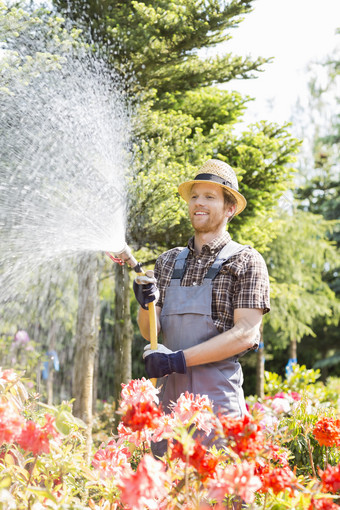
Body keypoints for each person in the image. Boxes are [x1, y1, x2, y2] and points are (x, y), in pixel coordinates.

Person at [133, 159, 270, 456]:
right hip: (169, 408)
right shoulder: (168, 262)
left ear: (230, 208)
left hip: (218, 411)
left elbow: (246, 333)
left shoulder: (246, 261)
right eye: (194, 196)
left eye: (210, 197)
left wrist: (177, 361)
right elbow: (151, 332)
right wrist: (145, 304)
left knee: (217, 497)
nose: (199, 203)